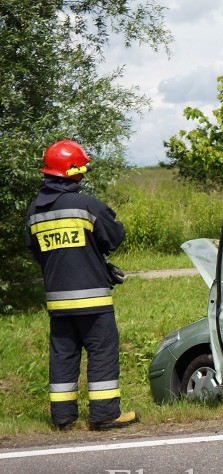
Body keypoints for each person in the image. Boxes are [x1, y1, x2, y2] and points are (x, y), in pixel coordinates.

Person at [25, 140, 139, 431]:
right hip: (93, 299)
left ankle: (62, 418)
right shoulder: (86, 206)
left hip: (57, 301)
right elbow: (113, 238)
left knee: (63, 354)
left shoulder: (34, 212)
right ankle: (104, 414)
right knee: (102, 351)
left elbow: (37, 252)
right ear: (73, 172)